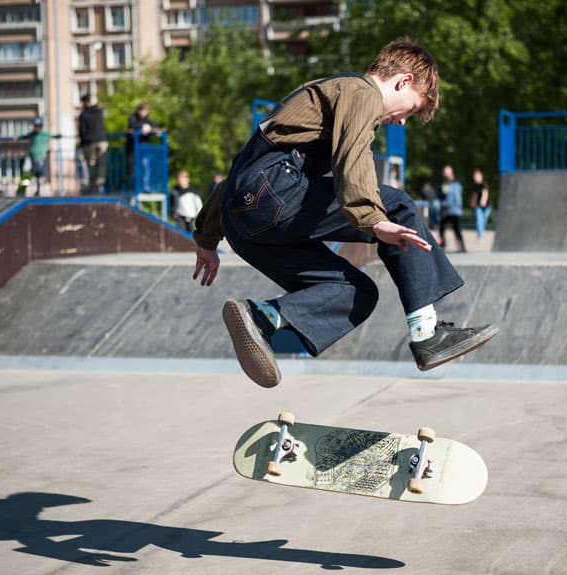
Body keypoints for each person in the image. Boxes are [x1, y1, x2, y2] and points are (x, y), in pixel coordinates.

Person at [191, 37, 497, 388]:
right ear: (403, 81)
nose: (401, 123)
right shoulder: (361, 92)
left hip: (247, 224)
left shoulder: (319, 99)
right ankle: (426, 333)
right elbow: (352, 158)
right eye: (410, 110)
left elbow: (240, 175)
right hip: (275, 196)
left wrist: (206, 237)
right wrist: (375, 219)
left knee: (356, 292)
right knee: (397, 205)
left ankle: (262, 318)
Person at [15, 117, 58, 196]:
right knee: (27, 173)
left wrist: (59, 136)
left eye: (38, 126)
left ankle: (38, 190)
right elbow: (25, 136)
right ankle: (22, 189)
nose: (37, 128)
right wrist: (18, 138)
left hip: (40, 158)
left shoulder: (45, 134)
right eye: (36, 126)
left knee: (38, 174)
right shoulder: (32, 134)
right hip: (31, 156)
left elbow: (53, 136)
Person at [78, 94, 108, 194]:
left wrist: (82, 143)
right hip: (102, 140)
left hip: (89, 142)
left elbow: (82, 131)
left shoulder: (83, 114)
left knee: (92, 164)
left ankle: (93, 186)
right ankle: (100, 183)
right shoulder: (99, 111)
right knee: (102, 163)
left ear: (85, 102)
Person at [126, 102, 157, 192]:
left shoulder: (148, 120)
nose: (143, 112)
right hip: (133, 149)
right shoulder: (132, 118)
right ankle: (133, 187)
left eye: (145, 110)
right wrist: (142, 127)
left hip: (144, 148)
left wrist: (149, 128)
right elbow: (132, 126)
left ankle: (146, 186)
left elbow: (154, 127)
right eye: (141, 110)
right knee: (133, 168)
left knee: (145, 167)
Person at [438, 165, 466, 252]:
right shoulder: (443, 184)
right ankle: (442, 244)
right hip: (446, 210)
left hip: (454, 210)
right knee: (442, 227)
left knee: (456, 229)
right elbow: (441, 196)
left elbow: (458, 199)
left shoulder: (456, 184)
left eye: (448, 172)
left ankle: (461, 246)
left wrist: (458, 208)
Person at [470, 168, 491, 239]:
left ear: (481, 176)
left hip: (487, 205)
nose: (476, 178)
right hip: (479, 206)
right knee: (479, 219)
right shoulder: (475, 185)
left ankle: (481, 232)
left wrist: (483, 201)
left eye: (477, 176)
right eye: (475, 177)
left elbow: (485, 193)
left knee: (484, 220)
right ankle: (480, 234)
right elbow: (475, 195)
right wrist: (473, 202)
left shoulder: (484, 183)